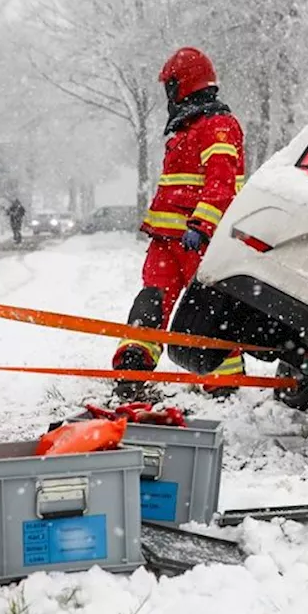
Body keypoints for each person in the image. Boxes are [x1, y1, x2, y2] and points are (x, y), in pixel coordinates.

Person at [111, 46, 246, 402]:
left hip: (200, 241)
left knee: (205, 312)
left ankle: (225, 379)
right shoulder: (186, 130)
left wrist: (201, 225)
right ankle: (134, 361)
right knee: (152, 299)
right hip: (167, 241)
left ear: (182, 86)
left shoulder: (218, 126)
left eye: (170, 87)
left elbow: (222, 183)